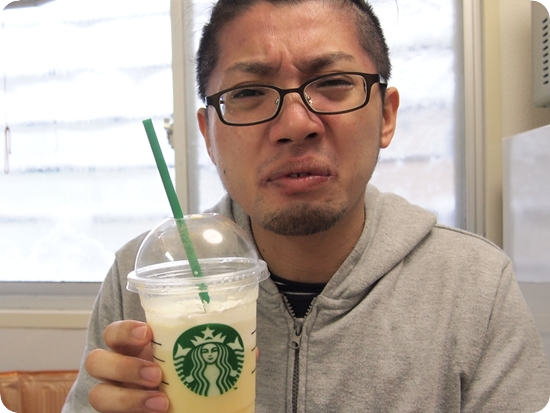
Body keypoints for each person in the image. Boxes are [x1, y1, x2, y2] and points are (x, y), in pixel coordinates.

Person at [62, 0, 550, 411]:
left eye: (333, 83)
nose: (296, 125)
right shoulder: (146, 276)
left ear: (386, 115)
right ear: (209, 135)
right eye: (249, 92)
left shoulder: (475, 286)